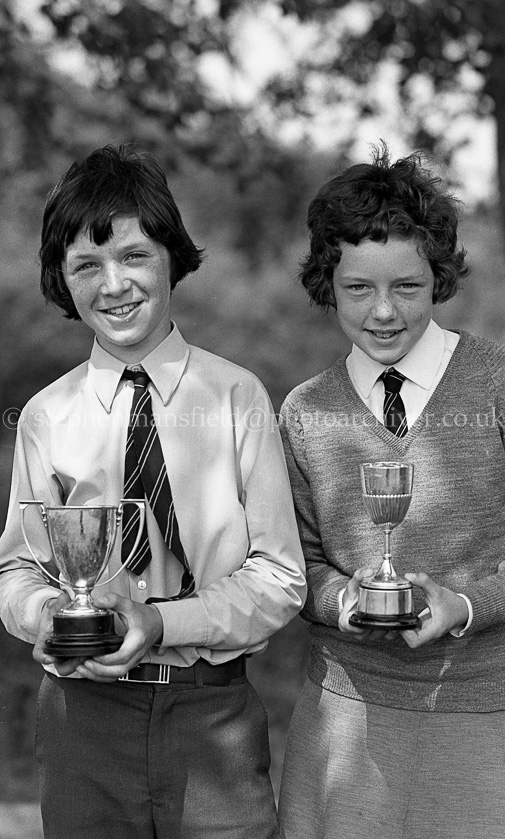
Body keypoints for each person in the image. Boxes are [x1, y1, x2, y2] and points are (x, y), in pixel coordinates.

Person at [0, 144, 306, 839]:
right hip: (83, 724)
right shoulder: (48, 415)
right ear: (62, 281)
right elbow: (16, 567)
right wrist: (48, 613)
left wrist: (163, 624)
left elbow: (281, 575)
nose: (114, 285)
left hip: (212, 720)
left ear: (170, 255)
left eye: (133, 255)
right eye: (86, 265)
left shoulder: (238, 398)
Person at [278, 144, 505, 839]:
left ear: (437, 278)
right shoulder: (303, 411)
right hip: (343, 727)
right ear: (327, 282)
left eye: (405, 287)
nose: (382, 312)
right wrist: (345, 600)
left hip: (484, 717)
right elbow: (296, 565)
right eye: (357, 289)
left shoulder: (495, 384)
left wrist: (465, 604)